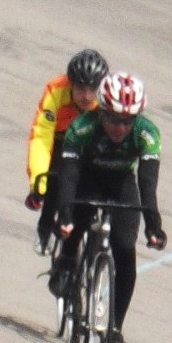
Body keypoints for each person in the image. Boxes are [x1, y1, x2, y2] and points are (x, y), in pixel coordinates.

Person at [50, 71, 168, 343]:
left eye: (127, 120)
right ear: (101, 111)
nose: (119, 127)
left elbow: (147, 185)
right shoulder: (82, 127)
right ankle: (66, 260)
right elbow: (69, 176)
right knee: (76, 216)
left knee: (125, 250)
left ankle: (114, 333)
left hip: (121, 183)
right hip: (87, 177)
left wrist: (154, 226)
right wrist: (65, 216)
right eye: (113, 119)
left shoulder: (147, 134)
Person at [24, 48, 109, 255]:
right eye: (80, 87)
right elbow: (41, 137)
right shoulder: (55, 91)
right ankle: (45, 225)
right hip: (60, 140)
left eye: (93, 88)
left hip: (90, 143)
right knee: (56, 176)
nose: (87, 96)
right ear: (69, 82)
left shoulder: (108, 98)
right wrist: (39, 184)